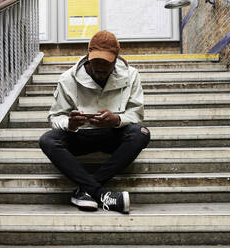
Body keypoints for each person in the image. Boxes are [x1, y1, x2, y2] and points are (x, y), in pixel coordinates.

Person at [39, 30, 150, 214]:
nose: (99, 67)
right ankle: (100, 192)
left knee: (142, 133)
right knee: (47, 140)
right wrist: (70, 124)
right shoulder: (68, 79)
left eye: (105, 63)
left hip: (112, 135)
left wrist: (117, 120)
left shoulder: (131, 75)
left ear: (116, 60)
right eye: (95, 61)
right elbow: (54, 117)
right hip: (80, 136)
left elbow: (136, 114)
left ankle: (85, 190)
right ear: (88, 57)